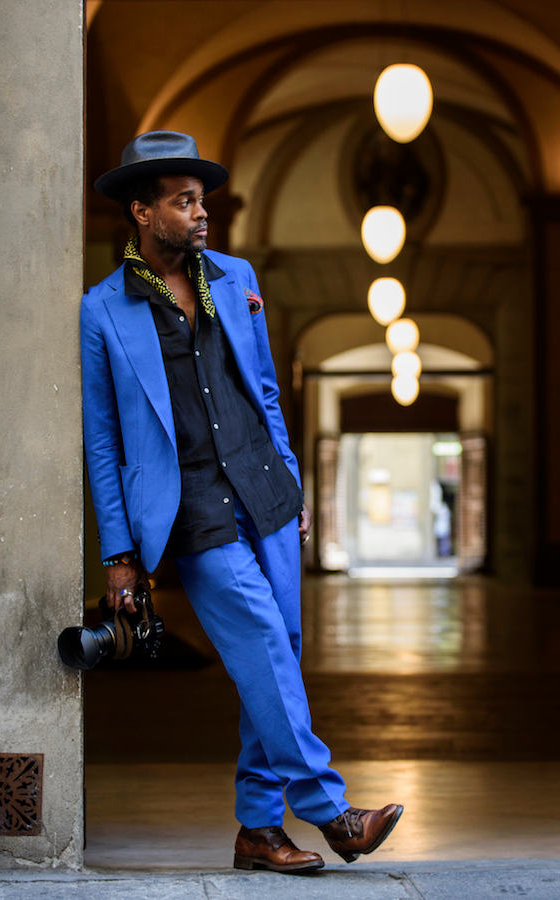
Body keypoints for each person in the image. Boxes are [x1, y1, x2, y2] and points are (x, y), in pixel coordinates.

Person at [82, 130, 403, 873]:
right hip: (188, 505)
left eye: (203, 201)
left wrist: (292, 484)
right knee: (261, 638)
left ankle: (259, 831)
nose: (200, 214)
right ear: (141, 211)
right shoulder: (102, 311)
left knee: (279, 655)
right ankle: (330, 811)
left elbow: (263, 389)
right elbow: (105, 444)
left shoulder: (233, 277)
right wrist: (119, 554)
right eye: (183, 202)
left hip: (264, 490)